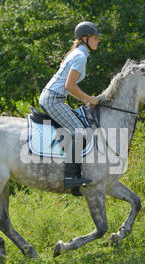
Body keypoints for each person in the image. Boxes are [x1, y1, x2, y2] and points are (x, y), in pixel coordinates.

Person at [38, 21, 101, 190]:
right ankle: (70, 177)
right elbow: (70, 86)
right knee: (80, 132)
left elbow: (69, 87)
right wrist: (89, 99)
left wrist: (85, 99)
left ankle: (75, 173)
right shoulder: (80, 57)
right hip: (53, 99)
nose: (98, 41)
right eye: (95, 38)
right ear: (85, 39)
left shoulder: (78, 54)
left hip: (54, 98)